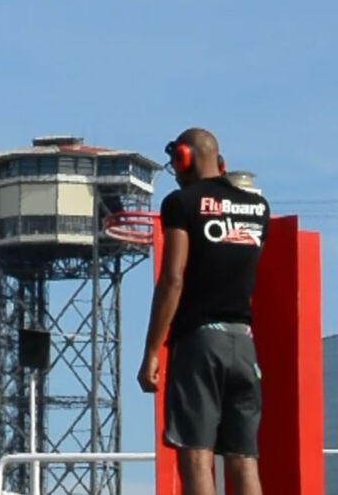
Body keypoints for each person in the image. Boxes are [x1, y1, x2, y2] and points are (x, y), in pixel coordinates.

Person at [137, 127, 270, 495]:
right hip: (244, 344)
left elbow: (172, 279)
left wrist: (152, 351)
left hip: (200, 344)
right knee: (244, 458)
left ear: (184, 158)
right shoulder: (258, 208)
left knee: (196, 456)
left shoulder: (180, 204)